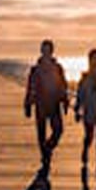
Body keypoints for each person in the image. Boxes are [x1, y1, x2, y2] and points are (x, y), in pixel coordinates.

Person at [24, 39, 69, 171]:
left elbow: (63, 85)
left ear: (52, 51)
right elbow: (30, 88)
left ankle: (48, 148)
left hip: (54, 103)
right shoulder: (36, 69)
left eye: (48, 49)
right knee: (41, 132)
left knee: (58, 130)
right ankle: (45, 155)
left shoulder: (58, 68)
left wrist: (65, 101)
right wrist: (27, 104)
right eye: (45, 49)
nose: (47, 52)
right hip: (40, 103)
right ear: (42, 51)